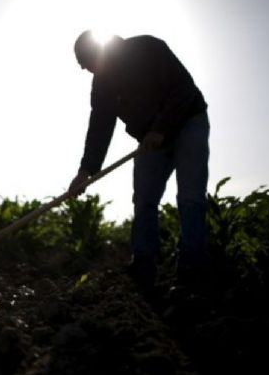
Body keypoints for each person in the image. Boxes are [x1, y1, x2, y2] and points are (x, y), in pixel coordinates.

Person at [68, 30, 210, 292]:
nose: (84, 68)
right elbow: (100, 125)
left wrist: (161, 128)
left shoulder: (147, 48)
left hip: (189, 121)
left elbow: (183, 87)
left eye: (85, 62)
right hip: (149, 139)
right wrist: (86, 170)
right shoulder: (102, 83)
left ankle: (192, 267)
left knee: (190, 195)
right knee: (144, 200)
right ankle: (143, 265)